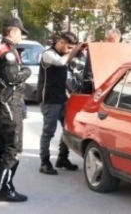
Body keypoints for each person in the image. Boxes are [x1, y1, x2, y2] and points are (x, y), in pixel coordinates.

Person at [0, 17, 32, 202]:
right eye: (20, 32)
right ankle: (4, 189)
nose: (21, 36)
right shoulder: (8, 52)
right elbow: (12, 78)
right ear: (12, 32)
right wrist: (27, 71)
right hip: (8, 101)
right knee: (13, 146)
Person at [37, 31, 84, 175]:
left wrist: (71, 91)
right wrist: (74, 51)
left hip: (62, 98)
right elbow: (61, 62)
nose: (70, 51)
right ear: (61, 42)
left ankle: (62, 158)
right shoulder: (48, 54)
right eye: (68, 47)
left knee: (68, 129)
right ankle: (44, 162)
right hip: (49, 100)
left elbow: (62, 77)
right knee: (48, 132)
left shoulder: (63, 55)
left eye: (71, 48)